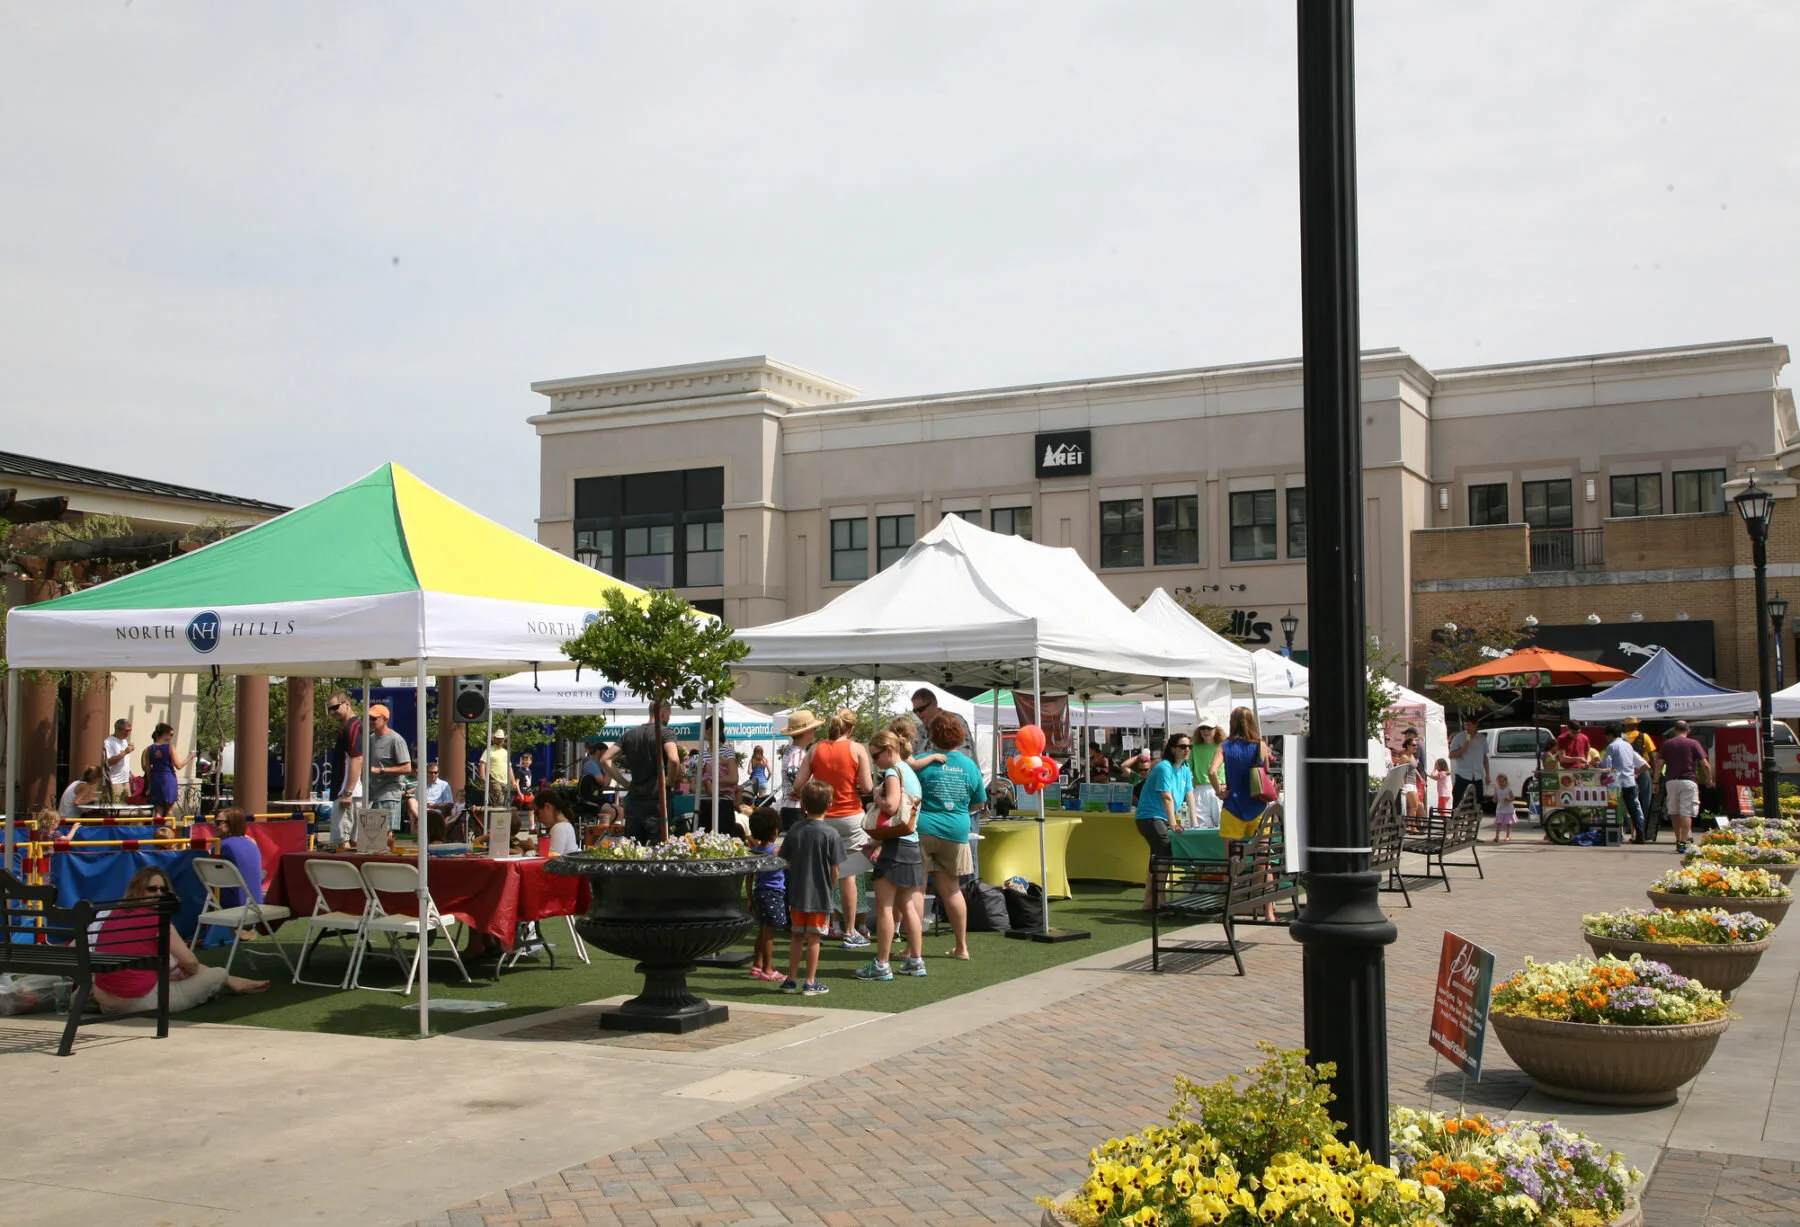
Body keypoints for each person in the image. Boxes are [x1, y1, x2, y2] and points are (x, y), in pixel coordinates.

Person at [89, 866, 269, 1015]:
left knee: (176, 966)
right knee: (218, 974)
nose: (159, 894)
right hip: (137, 1001)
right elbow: (190, 962)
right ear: (138, 890)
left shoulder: (111, 914)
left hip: (106, 999)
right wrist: (187, 970)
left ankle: (233, 980)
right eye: (152, 889)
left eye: (163, 889)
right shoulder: (158, 920)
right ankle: (228, 979)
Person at [792, 708, 874, 947]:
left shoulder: (815, 749)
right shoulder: (858, 749)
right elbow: (867, 787)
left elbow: (798, 785)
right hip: (850, 817)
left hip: (821, 817)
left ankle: (818, 926)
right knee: (848, 875)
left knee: (818, 873)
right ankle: (849, 930)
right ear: (851, 729)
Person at [914, 713, 986, 961]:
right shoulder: (968, 765)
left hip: (922, 829)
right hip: (955, 830)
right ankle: (961, 947)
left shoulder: (922, 761)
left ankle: (914, 949)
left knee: (916, 890)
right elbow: (979, 801)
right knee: (952, 891)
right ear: (960, 736)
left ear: (932, 736)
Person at [856, 729, 927, 981]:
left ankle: (882, 964)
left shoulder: (892, 772)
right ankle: (916, 961)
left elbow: (893, 806)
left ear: (888, 750)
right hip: (911, 843)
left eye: (875, 756)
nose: (874, 761)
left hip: (896, 846)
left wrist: (876, 796)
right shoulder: (910, 771)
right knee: (907, 905)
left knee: (885, 906)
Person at [780, 780, 843, 996]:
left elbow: (784, 859)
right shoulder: (831, 834)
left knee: (797, 936)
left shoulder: (795, 830)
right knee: (815, 938)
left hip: (797, 893)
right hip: (820, 895)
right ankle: (810, 981)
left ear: (803, 805)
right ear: (830, 805)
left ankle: (791, 979)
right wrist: (830, 887)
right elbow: (835, 870)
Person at [1218, 706, 1278, 923]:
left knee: (1231, 861)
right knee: (1264, 861)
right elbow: (1266, 771)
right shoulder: (1260, 745)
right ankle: (1269, 911)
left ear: (1232, 722)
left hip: (1232, 807)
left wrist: (1219, 791)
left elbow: (1211, 771)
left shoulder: (1224, 746)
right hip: (1258, 807)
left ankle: (1229, 910)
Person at [602, 703, 683, 842]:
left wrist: (625, 783)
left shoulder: (629, 735)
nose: (669, 717)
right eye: (669, 713)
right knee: (658, 852)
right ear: (663, 712)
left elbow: (605, 759)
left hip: (634, 802)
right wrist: (668, 782)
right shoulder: (665, 732)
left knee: (634, 852)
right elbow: (674, 759)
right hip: (657, 802)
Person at [1135, 732, 1193, 908]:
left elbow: (1190, 796)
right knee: (1164, 854)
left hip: (1160, 818)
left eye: (1189, 747)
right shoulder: (1164, 768)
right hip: (1149, 817)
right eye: (1183, 747)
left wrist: (1195, 823)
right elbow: (1166, 797)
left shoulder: (1185, 770)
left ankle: (1149, 902)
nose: (1187, 750)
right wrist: (1173, 823)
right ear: (1173, 749)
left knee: (1157, 858)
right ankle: (1160, 901)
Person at [746, 806, 787, 982]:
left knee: (762, 929)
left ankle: (757, 963)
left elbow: (749, 878)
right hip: (774, 894)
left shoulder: (755, 852)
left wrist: (749, 898)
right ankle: (767, 969)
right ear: (775, 830)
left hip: (759, 892)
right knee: (769, 932)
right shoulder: (776, 852)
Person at [1654, 720, 1708, 852]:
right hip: (1689, 780)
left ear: (1675, 730)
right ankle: (1684, 842)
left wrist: (1655, 782)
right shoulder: (1694, 744)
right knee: (1686, 812)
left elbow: (1659, 764)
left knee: (1674, 812)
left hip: (1671, 781)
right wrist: (1709, 778)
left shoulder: (1667, 744)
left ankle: (1678, 840)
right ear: (1688, 730)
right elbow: (1705, 764)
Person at [364, 704, 412, 834]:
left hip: (388, 794)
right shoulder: (369, 739)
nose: (371, 722)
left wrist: (381, 770)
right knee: (371, 835)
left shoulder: (395, 739)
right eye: (369, 718)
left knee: (385, 834)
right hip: (371, 795)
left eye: (374, 719)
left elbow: (407, 767)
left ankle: (386, 854)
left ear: (385, 719)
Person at [325, 691, 364, 847]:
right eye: (330, 709)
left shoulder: (353, 727)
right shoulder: (349, 727)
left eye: (335, 707)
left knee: (341, 842)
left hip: (348, 794)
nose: (332, 712)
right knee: (353, 841)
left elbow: (357, 758)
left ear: (347, 704)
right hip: (349, 792)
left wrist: (348, 792)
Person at [214, 809, 266, 921]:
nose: (216, 826)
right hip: (255, 902)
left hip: (232, 903)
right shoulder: (251, 842)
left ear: (232, 823)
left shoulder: (221, 847)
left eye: (219, 823)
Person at [1602, 724, 1651, 843]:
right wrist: (1636, 774)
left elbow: (1606, 766)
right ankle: (1640, 836)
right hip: (1630, 782)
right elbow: (1645, 765)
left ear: (1610, 735)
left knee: (1615, 810)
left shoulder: (1612, 746)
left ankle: (1616, 836)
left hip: (1616, 784)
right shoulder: (1628, 746)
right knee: (1634, 810)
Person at [691, 716, 740, 835]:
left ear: (720, 731)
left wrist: (710, 781)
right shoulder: (699, 756)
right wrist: (710, 789)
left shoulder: (727, 752)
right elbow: (693, 787)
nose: (709, 731)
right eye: (707, 728)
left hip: (723, 804)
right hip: (703, 804)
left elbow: (734, 778)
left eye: (712, 728)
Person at [774, 710, 821, 833]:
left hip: (789, 807)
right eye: (814, 729)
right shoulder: (798, 753)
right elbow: (793, 773)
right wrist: (803, 793)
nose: (815, 732)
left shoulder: (791, 751)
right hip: (795, 808)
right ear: (807, 732)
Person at [140, 722, 190, 819]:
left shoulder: (149, 749)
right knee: (169, 809)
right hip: (168, 778)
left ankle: (157, 830)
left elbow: (147, 768)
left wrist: (150, 783)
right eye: (171, 734)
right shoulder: (170, 747)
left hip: (155, 778)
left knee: (158, 810)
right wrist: (189, 757)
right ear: (165, 734)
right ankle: (169, 831)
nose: (171, 737)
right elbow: (178, 766)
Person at [1447, 716, 1490, 811]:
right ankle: (1455, 821)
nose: (1468, 728)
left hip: (1477, 775)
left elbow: (1484, 757)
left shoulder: (1482, 738)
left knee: (1477, 802)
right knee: (1458, 801)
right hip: (1463, 775)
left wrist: (1487, 775)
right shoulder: (1459, 737)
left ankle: (1472, 822)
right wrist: (1463, 749)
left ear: (1475, 725)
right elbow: (1451, 755)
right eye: (1466, 725)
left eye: (1470, 725)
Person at [1188, 722, 1224, 828]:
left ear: (1216, 729)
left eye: (1209, 728)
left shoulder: (1223, 747)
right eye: (1202, 728)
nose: (1205, 731)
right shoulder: (1194, 748)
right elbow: (1188, 769)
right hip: (1200, 789)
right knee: (1201, 826)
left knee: (1222, 825)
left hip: (1220, 787)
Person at [478, 729, 519, 814]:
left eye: (501, 738)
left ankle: (500, 821)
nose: (500, 740)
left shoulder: (505, 752)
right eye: (498, 738)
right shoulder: (489, 750)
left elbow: (509, 767)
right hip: (494, 779)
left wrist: (513, 781)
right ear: (494, 739)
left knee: (505, 802)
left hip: (505, 780)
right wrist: (483, 778)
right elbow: (482, 764)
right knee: (500, 801)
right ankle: (498, 822)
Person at [533, 788, 580, 855]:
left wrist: (531, 848)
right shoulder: (565, 825)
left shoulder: (559, 828)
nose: (538, 819)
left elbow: (551, 858)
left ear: (547, 807)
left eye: (537, 813)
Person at [102, 718, 134, 799]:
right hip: (114, 781)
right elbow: (108, 762)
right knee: (116, 807)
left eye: (130, 730)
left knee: (126, 809)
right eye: (127, 731)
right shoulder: (108, 742)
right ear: (118, 729)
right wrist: (125, 752)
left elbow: (124, 761)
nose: (129, 733)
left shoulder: (124, 741)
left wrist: (130, 774)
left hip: (125, 781)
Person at [1492, 774, 1517, 843]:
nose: (1501, 783)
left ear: (1505, 781)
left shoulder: (1508, 789)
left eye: (1502, 781)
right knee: (1498, 823)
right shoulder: (1497, 790)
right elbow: (1495, 799)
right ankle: (1497, 836)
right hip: (1500, 808)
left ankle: (1508, 836)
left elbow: (1513, 798)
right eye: (1499, 782)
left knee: (1508, 823)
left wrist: (1508, 799)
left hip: (1508, 809)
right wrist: (1494, 798)